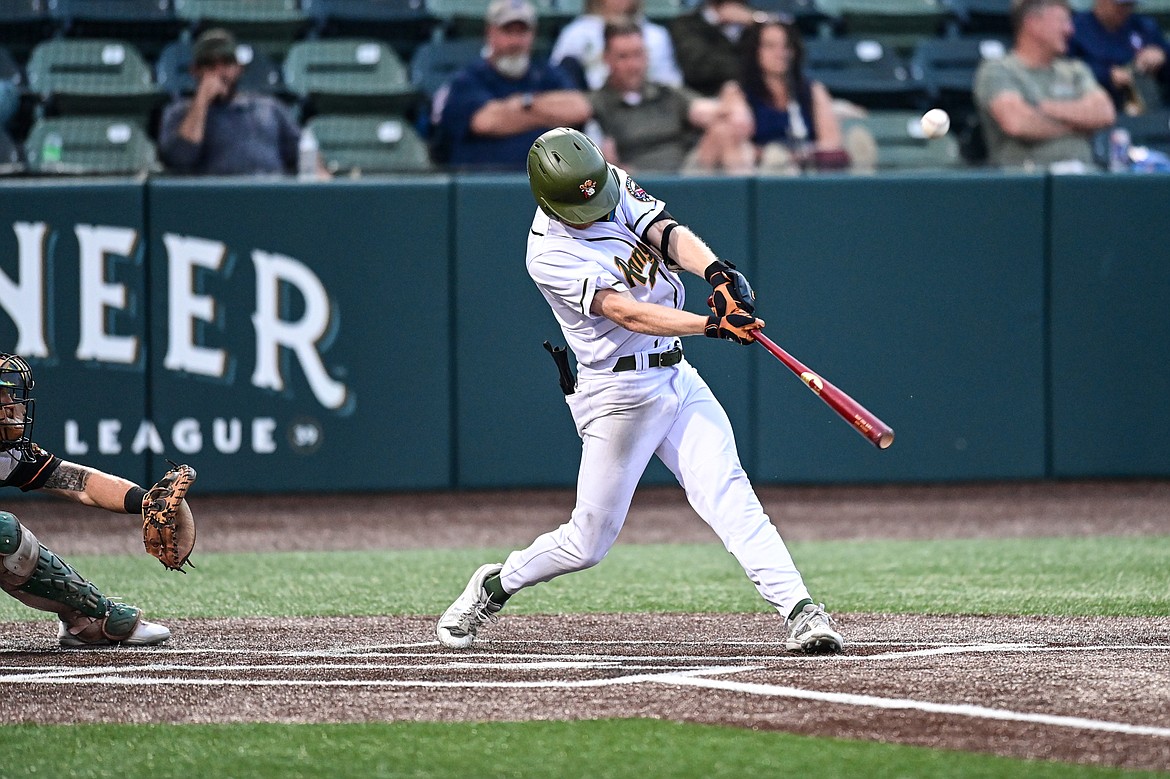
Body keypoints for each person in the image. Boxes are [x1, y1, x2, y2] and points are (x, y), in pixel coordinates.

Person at [436, 127, 845, 656]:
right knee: (587, 542)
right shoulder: (548, 253)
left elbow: (664, 230)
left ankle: (801, 611)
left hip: (676, 376)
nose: (598, 209)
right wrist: (710, 326)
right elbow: (624, 311)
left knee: (727, 490)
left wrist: (717, 273)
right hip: (618, 395)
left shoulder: (605, 183)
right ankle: (494, 585)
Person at [0, 354, 171, 648]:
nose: (10, 407)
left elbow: (81, 484)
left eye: (7, 394)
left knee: (5, 536)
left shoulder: (6, 455)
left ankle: (90, 619)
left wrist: (146, 502)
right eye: (0, 396)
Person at [430, 0, 593, 170]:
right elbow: (487, 122)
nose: (515, 41)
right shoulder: (468, 79)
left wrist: (524, 104)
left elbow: (580, 108)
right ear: (490, 33)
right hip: (482, 182)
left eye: (522, 32)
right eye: (508, 32)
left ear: (533, 34)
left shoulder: (546, 74)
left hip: (545, 183)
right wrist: (548, 114)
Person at [589, 20, 755, 173]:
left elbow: (717, 114)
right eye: (623, 57)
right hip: (633, 185)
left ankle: (744, 202)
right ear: (607, 59)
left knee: (723, 131)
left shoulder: (668, 94)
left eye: (638, 54)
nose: (633, 65)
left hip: (684, 178)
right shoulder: (598, 101)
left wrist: (732, 94)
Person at [973, 0, 1116, 170]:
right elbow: (1018, 123)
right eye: (1062, 21)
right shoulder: (998, 70)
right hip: (1028, 184)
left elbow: (1105, 113)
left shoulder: (1075, 70)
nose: (1069, 30)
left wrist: (1043, 107)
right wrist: (1082, 126)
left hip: (1084, 180)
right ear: (1033, 23)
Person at [158, 28, 308, 176]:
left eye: (227, 63)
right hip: (216, 196)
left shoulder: (269, 108)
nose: (219, 71)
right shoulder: (179, 112)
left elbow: (306, 154)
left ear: (239, 69)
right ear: (195, 71)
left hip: (271, 193)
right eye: (210, 64)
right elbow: (180, 159)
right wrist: (202, 100)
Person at [738, 19, 851, 173]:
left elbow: (830, 142)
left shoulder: (813, 90)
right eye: (770, 46)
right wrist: (778, 155)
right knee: (775, 158)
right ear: (755, 51)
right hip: (761, 171)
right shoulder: (739, 92)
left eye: (786, 46)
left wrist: (800, 156)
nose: (780, 53)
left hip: (809, 167)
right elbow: (738, 147)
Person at [550, 0, 683, 90]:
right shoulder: (576, 32)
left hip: (647, 108)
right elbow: (557, 80)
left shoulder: (656, 35)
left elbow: (669, 82)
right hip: (590, 109)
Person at [1068, 0, 1170, 114]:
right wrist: (1106, 74)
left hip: (1149, 106)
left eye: (1130, 5)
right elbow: (1065, 69)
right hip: (1098, 108)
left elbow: (1164, 56)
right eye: (1120, 5)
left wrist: (1162, 55)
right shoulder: (1076, 29)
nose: (1125, 10)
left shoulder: (1143, 26)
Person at [670, 0, 771, 96]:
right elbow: (697, 68)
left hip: (757, 100)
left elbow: (778, 59)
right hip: (706, 99)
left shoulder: (757, 23)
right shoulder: (686, 24)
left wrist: (757, 20)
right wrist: (756, 67)